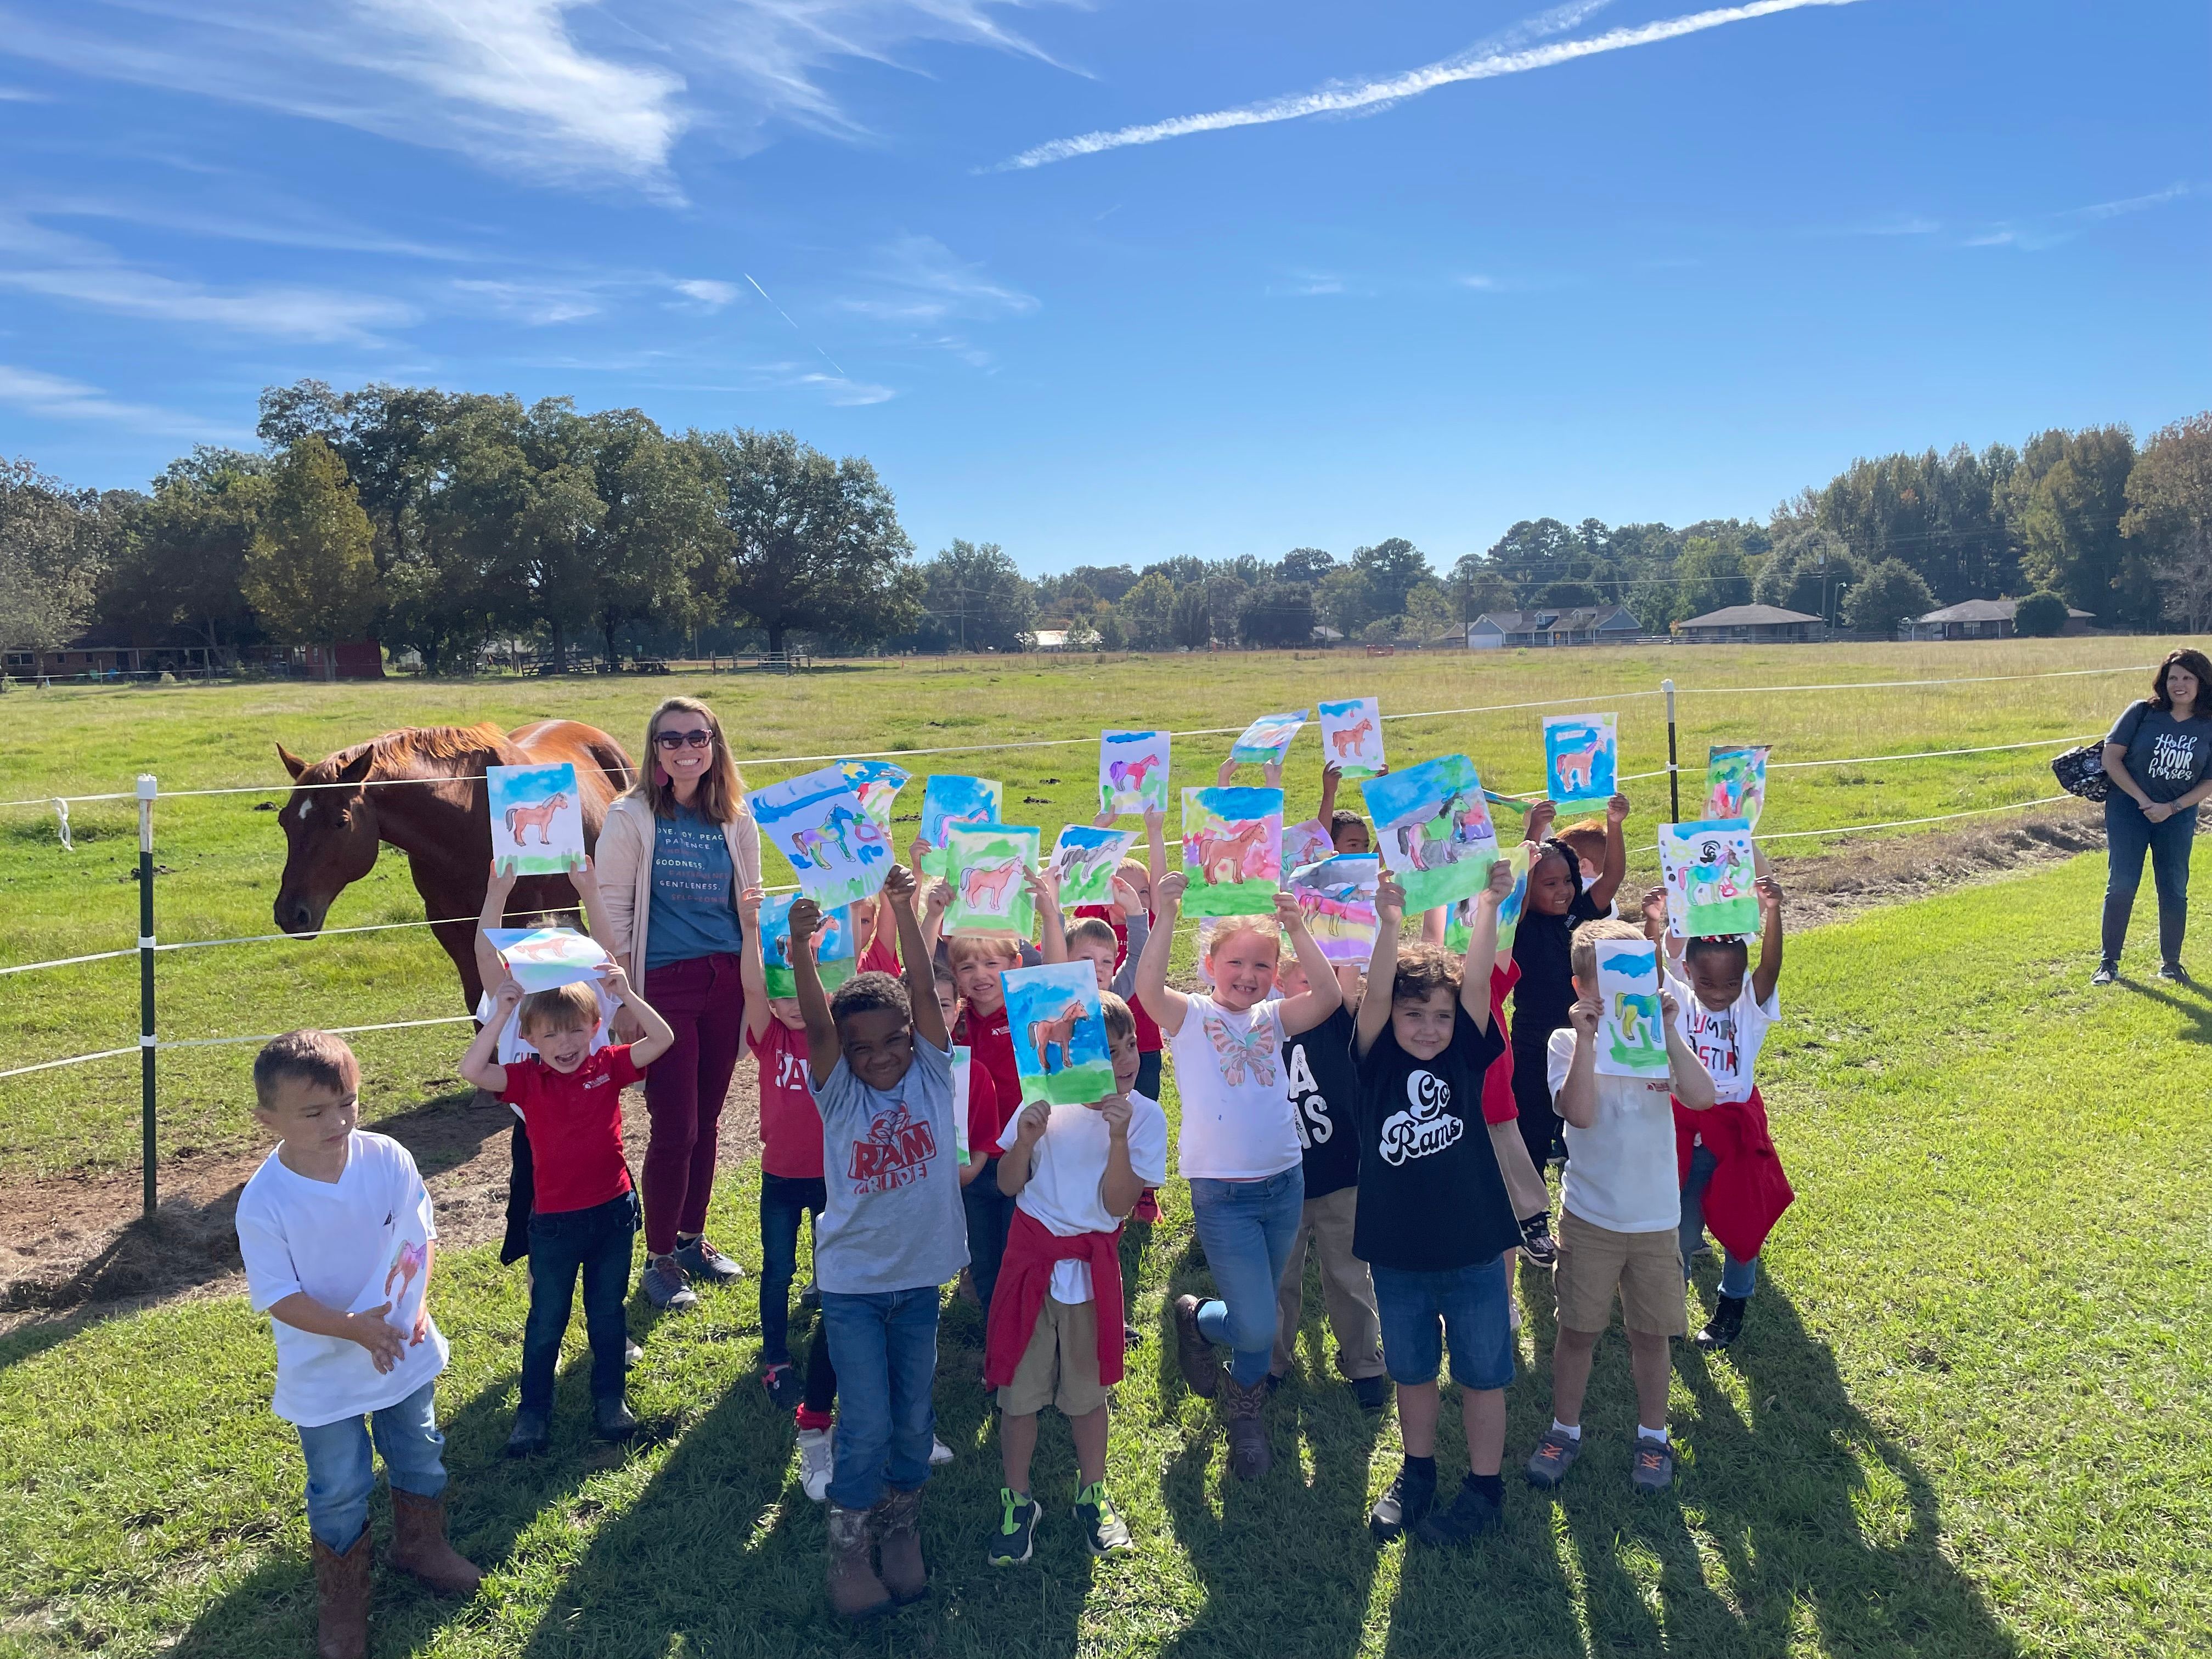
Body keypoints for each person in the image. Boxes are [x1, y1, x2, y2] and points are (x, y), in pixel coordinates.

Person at [234, 1031, 482, 1659]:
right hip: (325, 1370)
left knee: (419, 1449)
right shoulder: (264, 1201)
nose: (337, 1122)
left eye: (347, 1103)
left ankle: (421, 1546)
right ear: (268, 1120)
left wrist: (413, 1305)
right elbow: (280, 1297)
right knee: (339, 1483)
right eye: (313, 1112)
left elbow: (419, 1234)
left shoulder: (387, 1157)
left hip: (401, 1344)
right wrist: (355, 1328)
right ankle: (343, 1604)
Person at [788, 867, 967, 1618]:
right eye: (864, 1047)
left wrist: (902, 906)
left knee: (914, 1420)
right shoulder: (840, 1094)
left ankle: (901, 1525)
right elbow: (819, 1028)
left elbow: (922, 991)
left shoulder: (932, 1073)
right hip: (854, 1289)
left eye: (895, 1039)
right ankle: (850, 1543)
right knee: (864, 1423)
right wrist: (802, 952)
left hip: (919, 1283)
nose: (884, 1054)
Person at [1136, 875, 1341, 1480]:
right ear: (1209, 965)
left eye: (1261, 965)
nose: (1247, 975)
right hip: (1223, 1196)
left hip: (1285, 1183)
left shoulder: (1274, 1018)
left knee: (1263, 1312)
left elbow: (1328, 997)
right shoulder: (1192, 1016)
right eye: (1235, 962)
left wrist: (1298, 928)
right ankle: (1200, 1320)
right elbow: (1147, 989)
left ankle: (1243, 1405)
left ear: (1275, 974)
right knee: (1257, 1323)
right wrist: (1165, 914)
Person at [1354, 864, 1522, 1545]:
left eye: (1442, 1017)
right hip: (1397, 1252)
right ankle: (1418, 1472)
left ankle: (1485, 1489)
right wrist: (1390, 924)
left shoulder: (1462, 1058)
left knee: (1483, 1376)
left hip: (1474, 1246)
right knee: (1413, 1372)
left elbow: (1477, 984)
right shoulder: (1375, 1060)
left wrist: (1488, 906)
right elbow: (1373, 996)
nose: (1428, 1028)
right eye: (1414, 1013)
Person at [1527, 919, 1716, 1495]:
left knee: (1651, 1336)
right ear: (1582, 987)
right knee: (1578, 1331)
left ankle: (1653, 1436)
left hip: (1656, 1220)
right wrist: (1586, 1039)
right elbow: (1579, 1115)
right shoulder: (1566, 1043)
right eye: (1609, 980)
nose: (1624, 991)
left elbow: (1702, 1097)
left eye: (1636, 977)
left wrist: (1669, 1030)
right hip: (1591, 1217)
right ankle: (1564, 1429)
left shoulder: (1658, 1041)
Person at [459, 963, 674, 1453]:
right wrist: (501, 1014)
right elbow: (472, 1070)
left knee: (607, 1315)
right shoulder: (525, 1079)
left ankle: (611, 1400)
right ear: (529, 1038)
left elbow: (663, 1038)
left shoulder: (610, 1064)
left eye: (576, 1029)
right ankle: (533, 1412)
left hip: (612, 1216)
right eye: (551, 1034)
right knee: (546, 1322)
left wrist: (626, 994)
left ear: (596, 1027)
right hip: (554, 1226)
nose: (565, 1043)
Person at [984, 992, 1167, 1564]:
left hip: (1090, 1273)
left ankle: (1093, 1493)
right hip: (1031, 1266)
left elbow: (1117, 1205)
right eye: (1110, 1053)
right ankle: (1018, 1501)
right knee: (1018, 1395)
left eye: (1131, 1046)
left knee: (1088, 1395)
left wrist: (1119, 1138)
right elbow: (1008, 1185)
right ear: (1077, 1057)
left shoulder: (1145, 1117)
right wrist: (1026, 1140)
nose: (1127, 1061)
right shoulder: (1044, 1104)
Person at [593, 696, 763, 1308]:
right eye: (672, 739)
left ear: (714, 745)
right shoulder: (631, 816)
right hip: (662, 987)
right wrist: (620, 997)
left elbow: (749, 903)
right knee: (676, 1127)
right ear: (655, 749)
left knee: (708, 1120)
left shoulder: (736, 816)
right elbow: (612, 909)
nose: (686, 749)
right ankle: (659, 1258)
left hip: (725, 981)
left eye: (698, 737)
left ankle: (693, 1239)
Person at [735, 885, 841, 1497]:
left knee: (833, 1267)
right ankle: (776, 1358)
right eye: (783, 997)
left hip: (832, 1178)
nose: (793, 1006)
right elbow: (753, 989)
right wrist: (751, 928)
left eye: (802, 994)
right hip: (780, 1178)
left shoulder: (833, 1038)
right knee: (777, 1270)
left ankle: (832, 1342)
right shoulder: (770, 1036)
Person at [1670, 872, 1794, 1352]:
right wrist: (1657, 923)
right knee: (1679, 1225)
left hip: (1735, 1129)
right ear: (1688, 973)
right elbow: (1653, 973)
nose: (1719, 992)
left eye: (1730, 982)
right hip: (1686, 1128)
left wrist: (1772, 912)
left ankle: (1732, 1304)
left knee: (1742, 1220)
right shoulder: (1680, 1002)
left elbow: (1770, 968)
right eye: (1707, 981)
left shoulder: (1747, 1008)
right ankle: (1671, 1304)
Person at [1265, 953, 1388, 1411]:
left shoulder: (1340, 1022)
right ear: (1280, 982)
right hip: (1281, 1181)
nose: (1322, 989)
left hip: (1341, 1176)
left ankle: (1364, 1362)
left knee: (1349, 1275)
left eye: (1330, 981)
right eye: (1307, 980)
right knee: (1278, 1277)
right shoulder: (1266, 1027)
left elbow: (1347, 977)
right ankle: (1272, 1362)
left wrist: (1349, 932)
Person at [1508, 795, 1629, 1177]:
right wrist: (1532, 834)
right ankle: (1529, 1205)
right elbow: (1517, 894)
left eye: (1567, 880)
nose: (1562, 890)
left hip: (1582, 1042)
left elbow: (1612, 878)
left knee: (1582, 1128)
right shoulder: (1520, 924)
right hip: (1533, 1046)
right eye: (1549, 883)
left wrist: (1615, 825)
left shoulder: (1580, 913)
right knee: (1531, 1133)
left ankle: (1577, 1192)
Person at [2095, 648, 2212, 985]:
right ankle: (2108, 963)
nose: (2179, 684)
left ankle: (2171, 964)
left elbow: (2209, 780)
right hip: (2128, 810)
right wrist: (2144, 800)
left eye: (2188, 678)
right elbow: (2111, 758)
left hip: (2178, 816)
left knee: (2173, 887)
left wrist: (2172, 808)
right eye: (2173, 677)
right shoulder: (2142, 712)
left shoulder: (2209, 724)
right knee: (2122, 884)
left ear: (2202, 683)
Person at [947, 931, 1029, 1313]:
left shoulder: (1028, 1013)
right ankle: (994, 1330)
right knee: (982, 1258)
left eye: (991, 963)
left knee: (1019, 1251)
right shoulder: (951, 1022)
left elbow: (1061, 972)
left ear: (1015, 965)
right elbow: (918, 980)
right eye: (967, 967)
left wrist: (1050, 915)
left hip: (1023, 1157)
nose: (980, 975)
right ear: (954, 975)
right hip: (971, 1163)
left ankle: (1021, 1326)